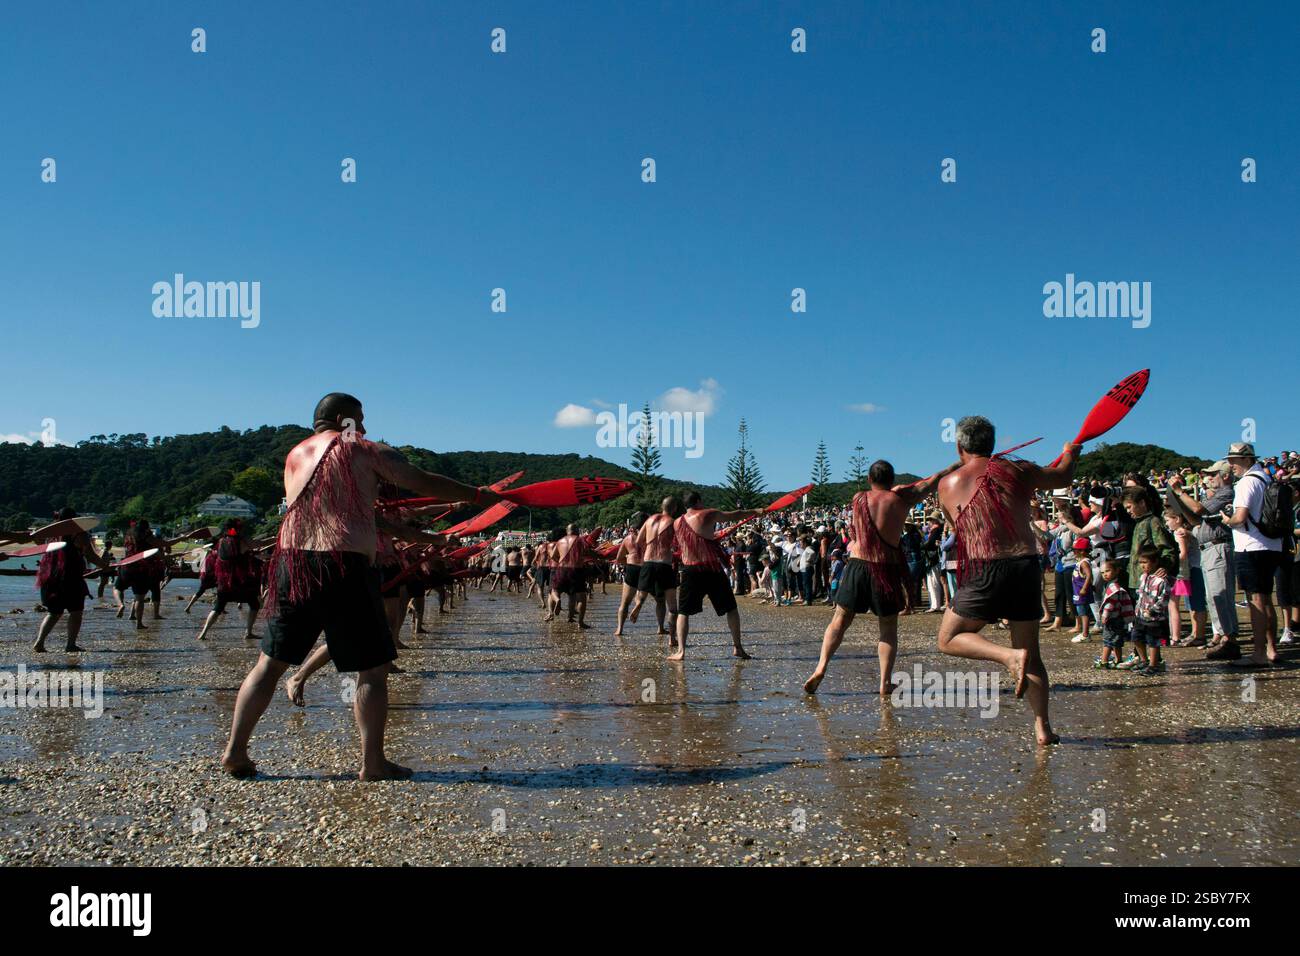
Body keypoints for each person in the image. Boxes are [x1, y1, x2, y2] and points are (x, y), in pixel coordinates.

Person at [220, 392, 501, 780]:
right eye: (360, 418)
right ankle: (373, 763)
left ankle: (235, 751)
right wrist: (477, 495)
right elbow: (420, 479)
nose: (365, 427)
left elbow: (360, 511)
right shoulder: (359, 448)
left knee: (269, 664)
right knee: (372, 670)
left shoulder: (295, 455)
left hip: (293, 564)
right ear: (342, 418)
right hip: (345, 566)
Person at [935, 416, 1081, 746]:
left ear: (960, 447)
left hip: (984, 568)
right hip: (1025, 565)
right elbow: (1063, 476)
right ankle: (1042, 728)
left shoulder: (947, 485)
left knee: (949, 639)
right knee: (1032, 652)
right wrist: (1072, 451)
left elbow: (956, 526)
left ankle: (1006, 657)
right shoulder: (1018, 470)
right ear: (993, 444)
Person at [803, 459, 958, 695]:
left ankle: (821, 667)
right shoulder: (902, 499)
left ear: (869, 479)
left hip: (857, 564)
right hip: (886, 568)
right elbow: (932, 480)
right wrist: (956, 465)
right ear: (893, 479)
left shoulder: (858, 499)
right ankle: (885, 682)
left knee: (840, 620)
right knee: (887, 628)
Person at [667, 492, 764, 661]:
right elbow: (735, 515)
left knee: (684, 612)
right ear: (698, 501)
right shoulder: (707, 513)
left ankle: (681, 651)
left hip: (689, 570)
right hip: (711, 568)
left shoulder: (676, 523)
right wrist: (756, 511)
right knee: (731, 609)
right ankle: (738, 647)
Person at [1219, 443, 1285, 668]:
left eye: (1234, 460)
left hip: (1251, 545)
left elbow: (1240, 517)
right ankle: (1271, 649)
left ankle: (1258, 653)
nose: (1231, 465)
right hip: (1272, 544)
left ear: (1246, 460)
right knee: (1267, 599)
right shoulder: (1265, 478)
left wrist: (1227, 520)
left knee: (1255, 600)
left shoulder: (1247, 482)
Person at [1167, 462, 1239, 655]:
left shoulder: (1226, 493)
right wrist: (1177, 501)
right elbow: (1196, 521)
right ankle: (1221, 636)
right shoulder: (1217, 495)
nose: (1208, 478)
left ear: (1224, 475)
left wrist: (1179, 492)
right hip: (1207, 548)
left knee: (1221, 595)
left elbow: (1199, 510)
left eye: (1212, 474)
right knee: (1212, 596)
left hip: (1217, 546)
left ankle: (1229, 639)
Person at [33, 508, 107, 653]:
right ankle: (70, 644)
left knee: (53, 613)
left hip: (51, 579)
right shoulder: (79, 534)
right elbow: (90, 555)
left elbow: (38, 542)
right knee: (76, 611)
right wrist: (105, 566)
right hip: (71, 579)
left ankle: (39, 642)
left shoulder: (52, 534)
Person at [195, 520, 263, 641]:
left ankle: (203, 633)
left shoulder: (221, 542)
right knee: (254, 605)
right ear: (237, 530)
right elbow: (256, 544)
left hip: (223, 582)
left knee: (217, 608)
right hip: (240, 582)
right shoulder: (240, 542)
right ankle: (248, 632)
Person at [628, 498, 683, 637]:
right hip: (664, 563)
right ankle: (672, 638)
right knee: (672, 606)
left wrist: (651, 545)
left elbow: (639, 541)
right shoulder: (673, 522)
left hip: (648, 562)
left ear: (661, 506)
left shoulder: (649, 520)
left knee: (648, 595)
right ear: (674, 508)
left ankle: (639, 604)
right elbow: (679, 543)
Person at [1123, 546, 1169, 675]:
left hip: (1155, 618)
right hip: (1140, 615)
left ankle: (1154, 665)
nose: (1142, 565)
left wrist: (1153, 611)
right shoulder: (1143, 577)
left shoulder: (1161, 580)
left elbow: (1164, 599)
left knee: (1154, 641)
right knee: (1136, 637)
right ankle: (1144, 660)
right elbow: (1141, 596)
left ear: (1154, 562)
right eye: (1141, 562)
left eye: (1145, 562)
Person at [1095, 559, 1133, 669]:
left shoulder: (1113, 587)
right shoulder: (1114, 585)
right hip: (1119, 618)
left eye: (1108, 571)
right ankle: (1118, 660)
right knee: (1116, 641)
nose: (1105, 574)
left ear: (1116, 571)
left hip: (1112, 619)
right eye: (1102, 573)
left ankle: (1104, 661)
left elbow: (1110, 603)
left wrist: (1104, 615)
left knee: (1108, 641)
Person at [613, 512, 647, 637]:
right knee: (658, 600)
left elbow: (618, 558)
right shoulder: (650, 537)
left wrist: (628, 559)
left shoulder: (628, 538)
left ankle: (619, 629)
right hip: (646, 567)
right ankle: (639, 604)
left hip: (632, 567)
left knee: (625, 602)